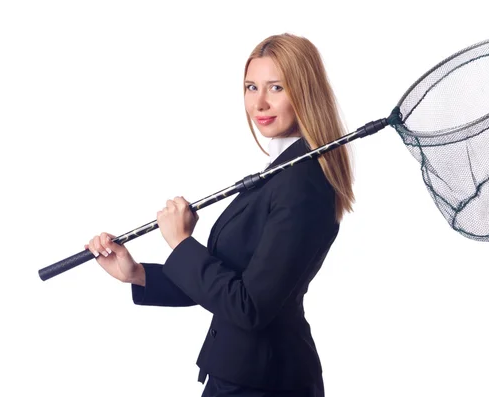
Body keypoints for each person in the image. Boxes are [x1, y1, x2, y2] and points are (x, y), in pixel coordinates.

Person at [85, 33, 355, 397]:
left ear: (305, 92)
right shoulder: (281, 172)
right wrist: (136, 274)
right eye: (251, 87)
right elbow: (227, 283)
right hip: (243, 376)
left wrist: (181, 243)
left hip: (267, 384)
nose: (259, 102)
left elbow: (248, 307)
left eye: (276, 87)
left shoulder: (302, 185)